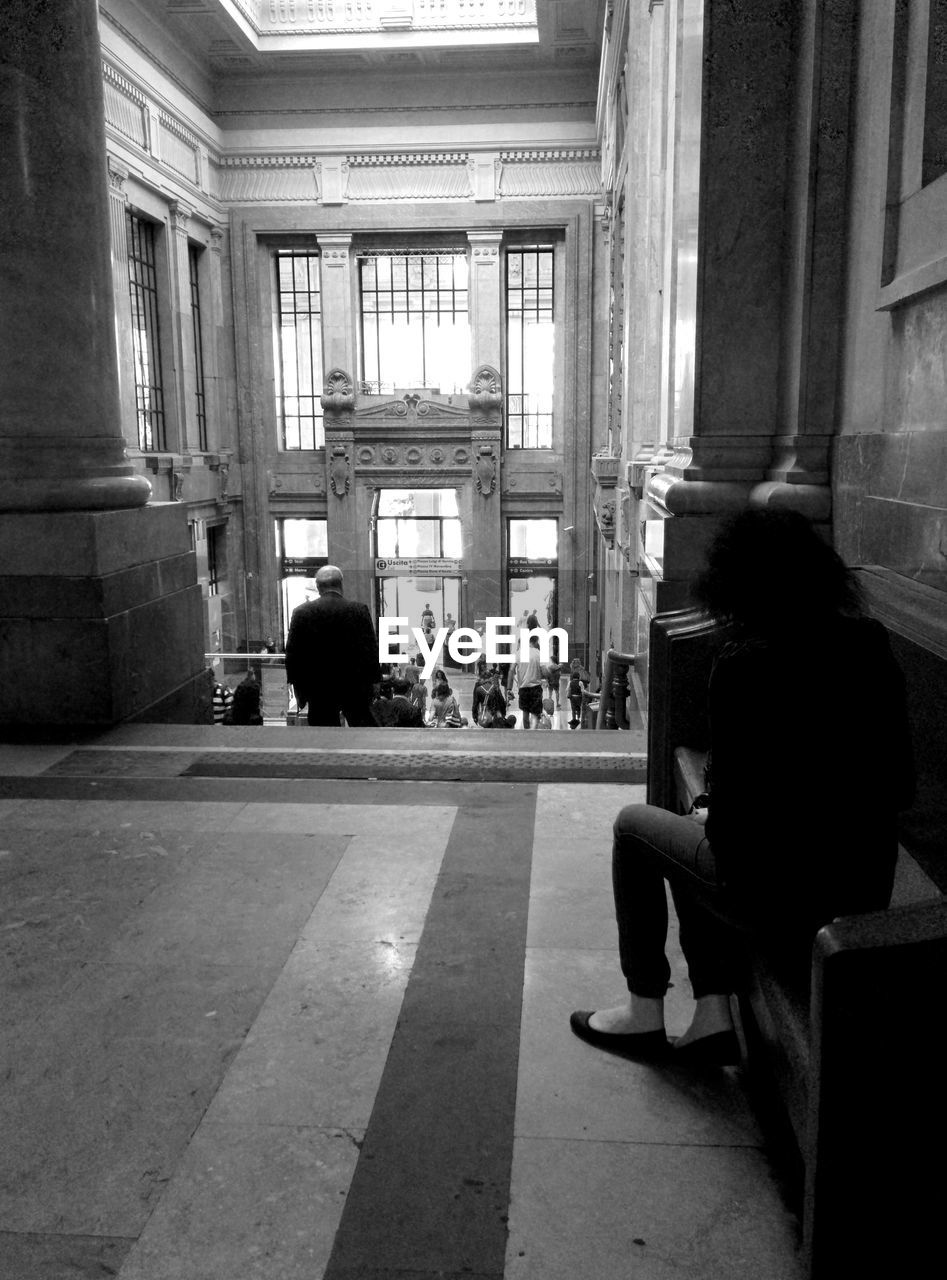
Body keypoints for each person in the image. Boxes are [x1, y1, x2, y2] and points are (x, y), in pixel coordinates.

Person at [571, 507, 915, 1065]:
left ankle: (643, 1010)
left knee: (635, 828)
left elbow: (733, 826)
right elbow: (900, 782)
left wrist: (717, 813)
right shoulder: (868, 644)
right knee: (693, 835)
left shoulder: (745, 663)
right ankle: (711, 1017)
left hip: (779, 898)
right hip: (861, 885)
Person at [285, 564, 380, 727]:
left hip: (318, 689)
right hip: (354, 686)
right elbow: (370, 649)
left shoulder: (301, 612)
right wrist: (375, 682)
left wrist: (298, 689)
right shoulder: (358, 610)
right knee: (364, 732)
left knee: (324, 737)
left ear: (317, 587)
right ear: (341, 584)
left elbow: (293, 655)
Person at [515, 634, 545, 728]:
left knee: (525, 712)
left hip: (523, 687)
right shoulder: (537, 653)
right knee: (535, 713)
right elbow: (543, 670)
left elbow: (513, 670)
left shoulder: (519, 653)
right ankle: (534, 730)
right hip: (535, 687)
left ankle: (526, 731)